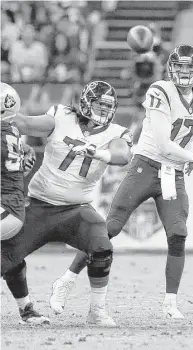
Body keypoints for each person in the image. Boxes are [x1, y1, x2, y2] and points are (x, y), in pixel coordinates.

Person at [49, 45, 193, 320]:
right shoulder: (160, 90)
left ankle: (170, 303)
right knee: (108, 229)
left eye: (189, 67)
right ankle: (66, 280)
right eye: (180, 66)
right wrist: (190, 155)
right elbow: (162, 142)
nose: (184, 72)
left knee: (178, 233)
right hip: (146, 166)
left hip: (173, 172)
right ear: (171, 68)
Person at [1, 81, 132, 327]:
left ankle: (97, 310)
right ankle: (27, 309)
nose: (103, 111)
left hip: (76, 211)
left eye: (108, 106)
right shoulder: (61, 116)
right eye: (98, 105)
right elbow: (25, 123)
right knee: (6, 255)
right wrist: (4, 113)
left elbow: (123, 154)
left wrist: (100, 153)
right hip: (38, 206)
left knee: (102, 245)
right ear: (84, 102)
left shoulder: (117, 132)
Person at [1, 82, 49, 324]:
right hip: (11, 207)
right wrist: (25, 156)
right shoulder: (12, 131)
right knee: (12, 256)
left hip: (7, 208)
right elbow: (24, 150)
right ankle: (27, 309)